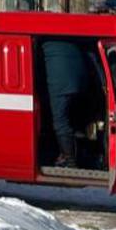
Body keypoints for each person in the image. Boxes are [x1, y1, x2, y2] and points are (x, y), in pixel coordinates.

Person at [40, 39, 97, 168]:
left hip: (59, 83)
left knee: (60, 121)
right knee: (74, 118)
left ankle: (68, 159)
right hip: (81, 81)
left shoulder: (44, 41)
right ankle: (80, 152)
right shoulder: (72, 40)